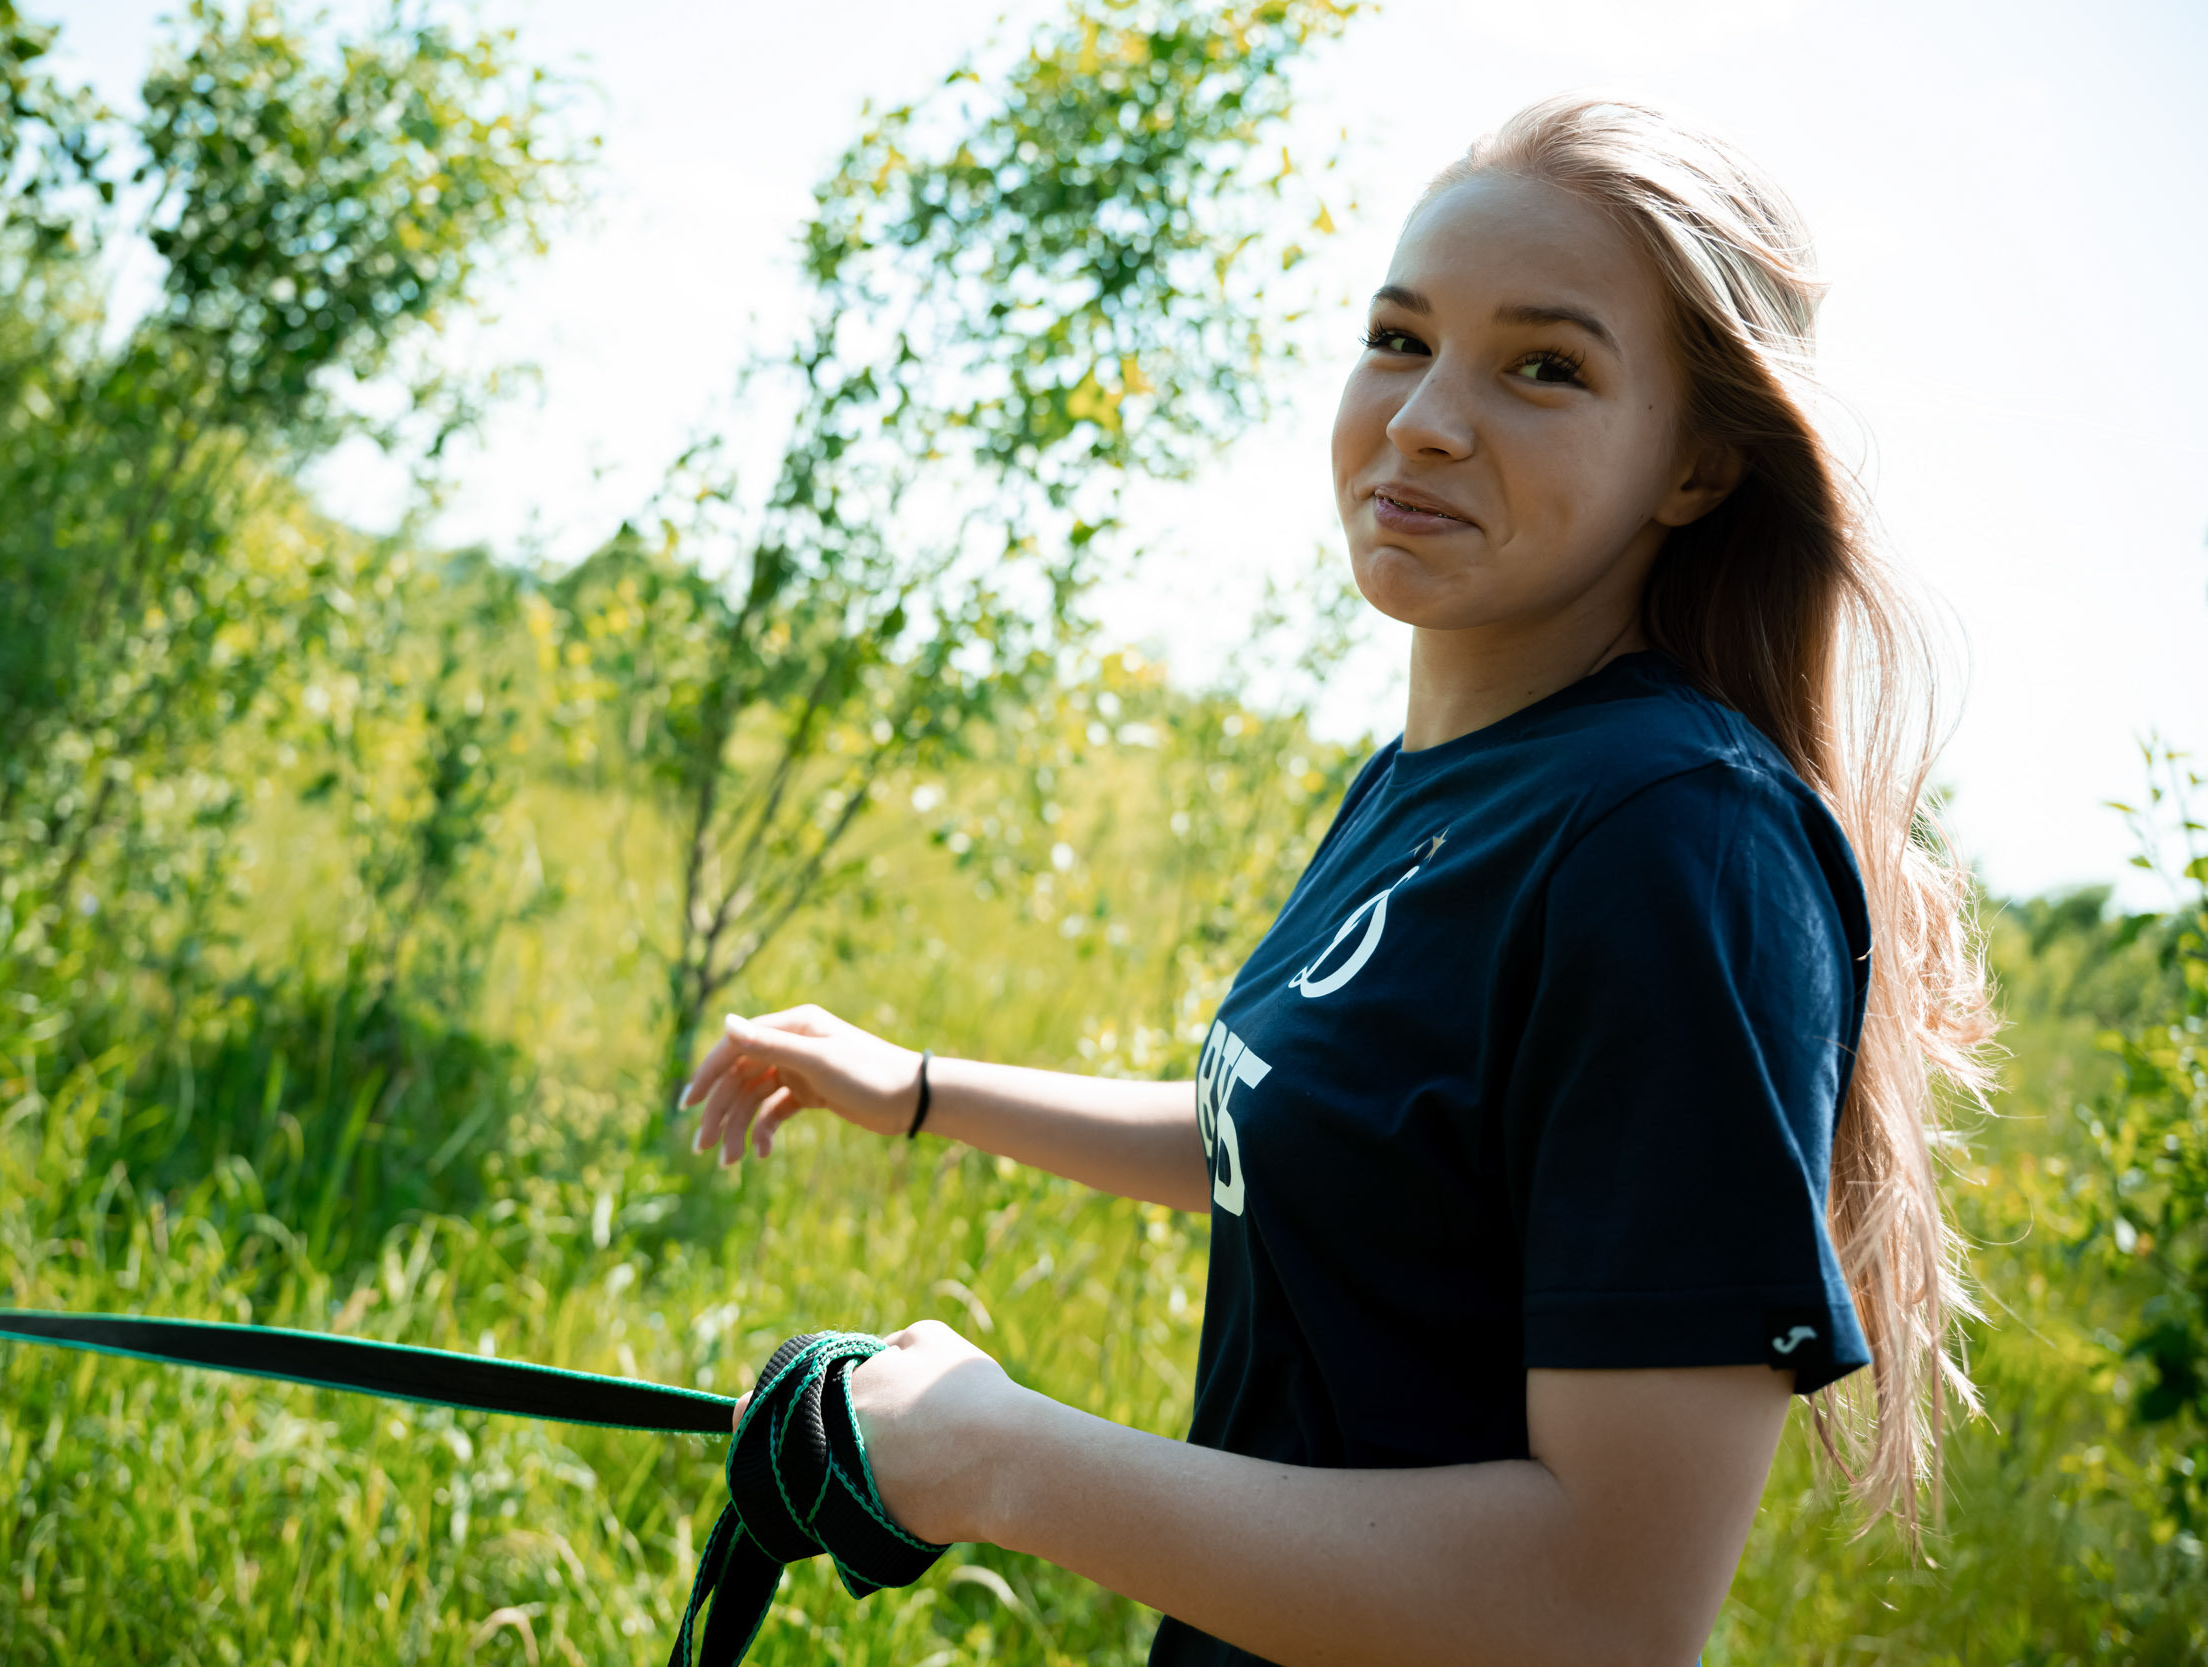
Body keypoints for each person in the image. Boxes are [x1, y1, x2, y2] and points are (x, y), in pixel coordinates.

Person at [678, 92, 1993, 1667]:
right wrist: (922, 1089)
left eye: (1546, 366)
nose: (1429, 416)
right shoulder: (1437, 785)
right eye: (1398, 336)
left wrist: (1000, 1456)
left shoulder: (1672, 840)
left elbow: (1611, 1608)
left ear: (1699, 467)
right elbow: (1332, 1137)